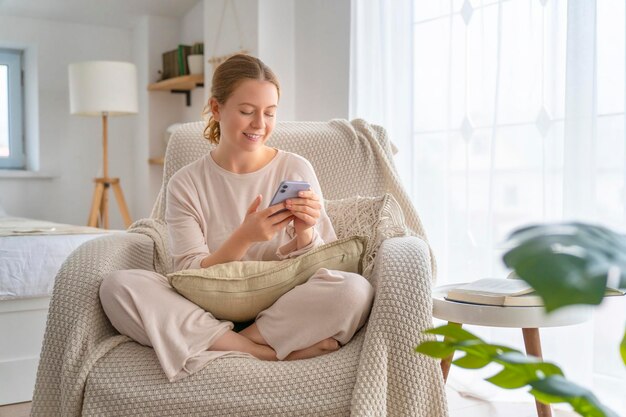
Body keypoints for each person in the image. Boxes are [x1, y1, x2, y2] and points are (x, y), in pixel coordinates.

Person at [99, 54, 374, 382]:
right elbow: (185, 272)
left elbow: (325, 267)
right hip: (205, 306)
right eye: (247, 112)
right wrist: (244, 237)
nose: (260, 124)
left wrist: (304, 233)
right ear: (216, 109)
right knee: (119, 287)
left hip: (284, 304)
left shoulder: (295, 168)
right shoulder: (186, 182)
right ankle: (261, 352)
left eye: (269, 113)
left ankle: (225, 342)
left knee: (355, 291)